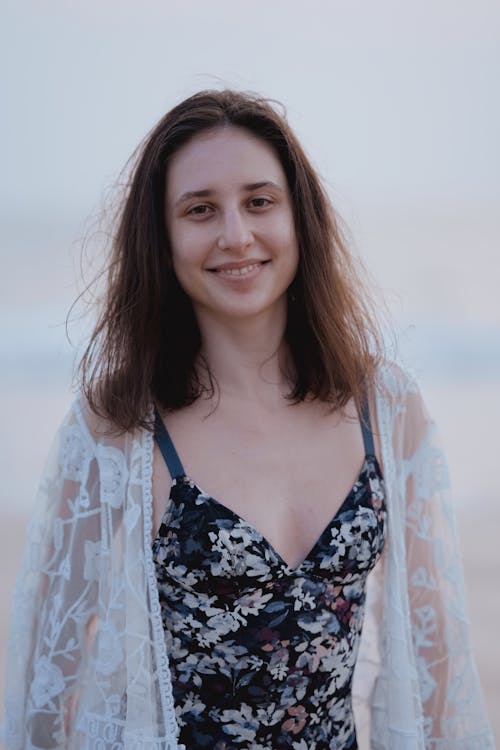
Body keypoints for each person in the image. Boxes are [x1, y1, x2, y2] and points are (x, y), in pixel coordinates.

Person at [3, 90, 494, 750]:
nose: (236, 234)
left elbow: (435, 656)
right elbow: (48, 677)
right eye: (201, 210)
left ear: (300, 218)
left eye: (259, 202)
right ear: (164, 236)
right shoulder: (118, 426)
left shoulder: (384, 405)